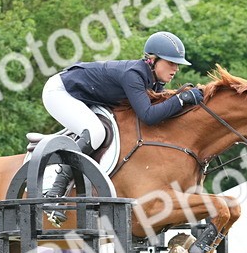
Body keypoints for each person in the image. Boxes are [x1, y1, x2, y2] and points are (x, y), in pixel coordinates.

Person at [40, 31, 197, 201]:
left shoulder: (153, 81)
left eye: (177, 64)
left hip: (84, 95)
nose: (176, 68)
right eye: (171, 63)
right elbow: (149, 116)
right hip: (59, 92)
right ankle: (56, 188)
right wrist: (181, 99)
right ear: (152, 60)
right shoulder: (133, 75)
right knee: (96, 132)